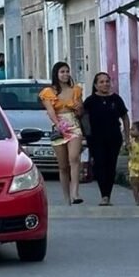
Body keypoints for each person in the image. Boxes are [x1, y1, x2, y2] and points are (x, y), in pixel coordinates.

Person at [40, 61, 85, 204]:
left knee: (74, 158)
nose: (65, 74)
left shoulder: (76, 90)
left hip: (74, 125)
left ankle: (75, 193)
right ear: (56, 74)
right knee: (63, 166)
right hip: (59, 127)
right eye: (62, 72)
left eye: (67, 71)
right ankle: (67, 198)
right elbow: (50, 111)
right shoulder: (48, 92)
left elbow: (81, 112)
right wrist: (58, 124)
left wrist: (79, 108)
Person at [83, 72, 131, 206]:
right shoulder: (90, 101)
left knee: (111, 166)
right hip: (95, 139)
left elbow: (125, 117)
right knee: (99, 164)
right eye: (101, 82)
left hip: (114, 138)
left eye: (107, 81)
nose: (105, 84)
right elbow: (84, 118)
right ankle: (103, 194)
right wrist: (85, 135)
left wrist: (127, 137)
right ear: (95, 85)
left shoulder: (116, 99)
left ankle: (107, 196)